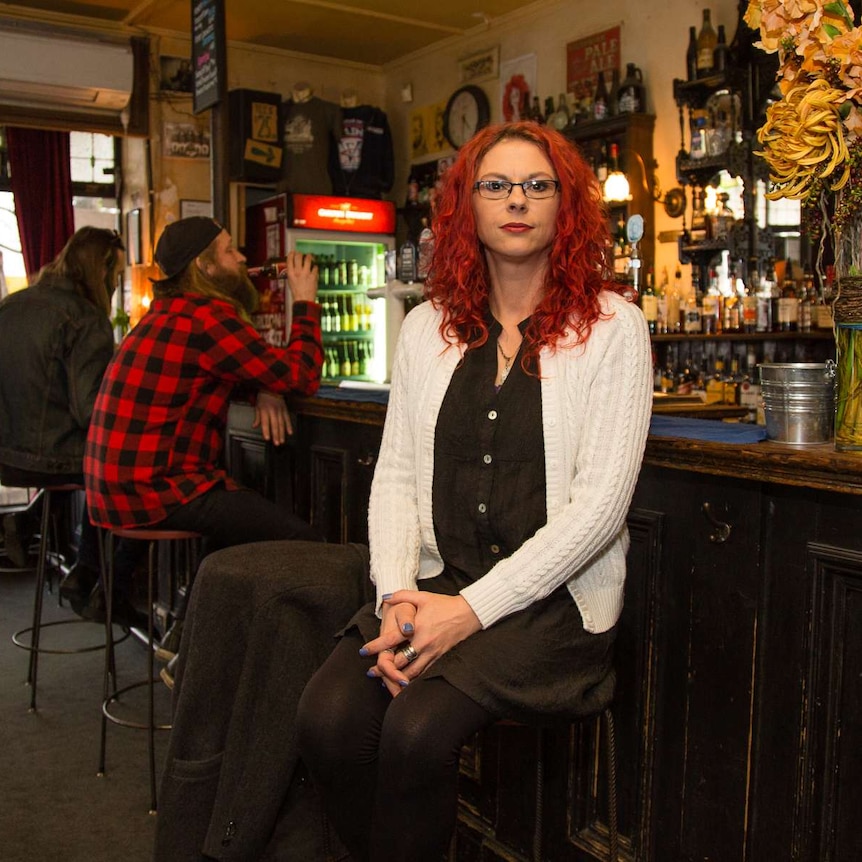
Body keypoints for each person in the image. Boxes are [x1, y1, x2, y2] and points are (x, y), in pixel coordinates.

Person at [296, 121, 653, 862]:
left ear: (566, 206)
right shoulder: (427, 327)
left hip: (551, 608)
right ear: (467, 205)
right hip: (437, 584)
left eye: (537, 185)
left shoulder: (615, 327)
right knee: (327, 718)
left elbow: (600, 511)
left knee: (417, 730)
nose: (516, 201)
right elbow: (394, 473)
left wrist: (470, 612)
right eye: (496, 185)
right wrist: (396, 595)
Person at [83, 217, 325, 658]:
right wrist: (305, 302)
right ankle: (205, 659)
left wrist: (264, 386)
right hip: (153, 493)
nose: (243, 258)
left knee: (233, 524)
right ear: (204, 266)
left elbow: (235, 371)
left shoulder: (166, 314)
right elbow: (303, 375)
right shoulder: (208, 318)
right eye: (231, 251)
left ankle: (185, 641)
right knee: (304, 543)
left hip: (113, 493)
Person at [0, 227, 127, 618]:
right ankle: (99, 582)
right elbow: (92, 412)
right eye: (116, 276)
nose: (117, 284)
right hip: (52, 457)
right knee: (122, 464)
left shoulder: (12, 305)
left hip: (7, 454)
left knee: (101, 465)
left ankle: (29, 523)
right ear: (100, 270)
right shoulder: (87, 320)